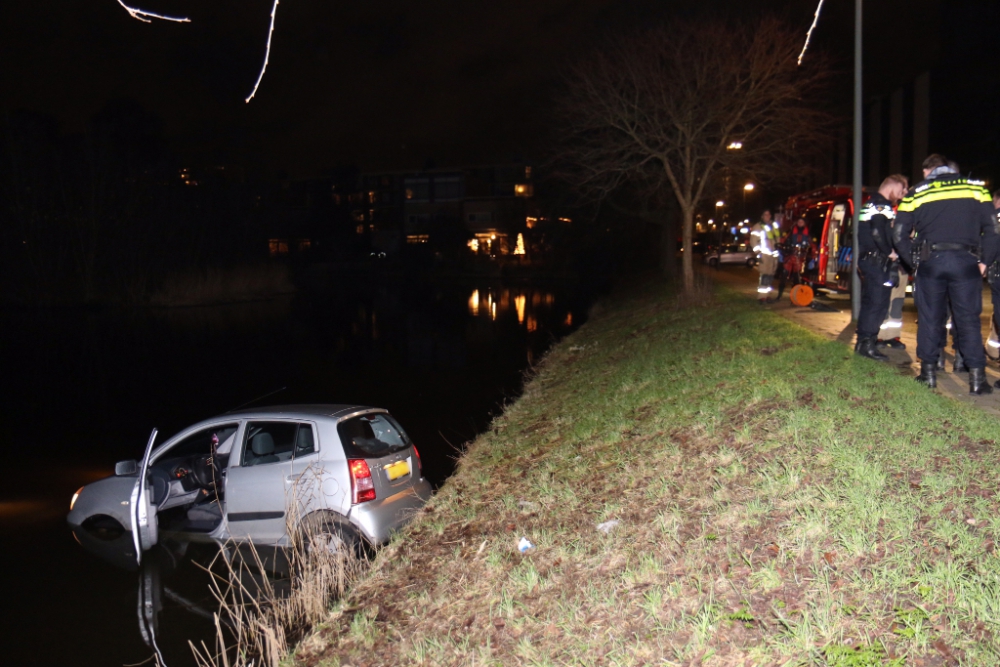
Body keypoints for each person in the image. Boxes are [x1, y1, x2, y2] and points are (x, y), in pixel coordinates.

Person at [892, 154, 998, 393]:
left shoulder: (917, 191)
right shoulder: (976, 190)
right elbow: (993, 229)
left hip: (931, 262)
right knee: (968, 320)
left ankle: (928, 375)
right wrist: (984, 262)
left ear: (931, 170)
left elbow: (899, 234)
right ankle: (978, 380)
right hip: (966, 262)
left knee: (930, 318)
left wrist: (913, 262)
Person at [855, 174, 909, 360]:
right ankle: (867, 344)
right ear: (892, 187)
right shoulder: (881, 205)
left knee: (873, 303)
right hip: (876, 261)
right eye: (901, 191)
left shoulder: (873, 203)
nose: (902, 196)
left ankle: (864, 343)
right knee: (877, 304)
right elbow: (878, 232)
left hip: (872, 261)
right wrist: (890, 253)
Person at [750, 210, 780, 303]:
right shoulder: (758, 226)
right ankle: (761, 297)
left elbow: (777, 239)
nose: (768, 216)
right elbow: (753, 241)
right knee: (764, 275)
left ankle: (766, 296)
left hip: (773, 255)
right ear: (762, 216)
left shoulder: (774, 226)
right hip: (764, 254)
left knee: (770, 276)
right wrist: (758, 253)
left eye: (769, 214)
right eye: (765, 214)